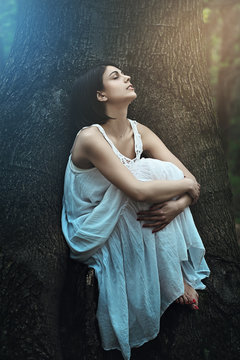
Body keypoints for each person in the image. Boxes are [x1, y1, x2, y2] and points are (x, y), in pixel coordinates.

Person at [61, 62, 210, 360]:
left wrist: (178, 204)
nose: (127, 77)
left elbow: (188, 179)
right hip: (91, 227)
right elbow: (139, 191)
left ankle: (172, 274)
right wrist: (186, 189)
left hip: (128, 213)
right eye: (115, 76)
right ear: (101, 95)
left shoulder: (139, 131)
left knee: (154, 170)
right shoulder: (90, 137)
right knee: (145, 171)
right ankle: (171, 279)